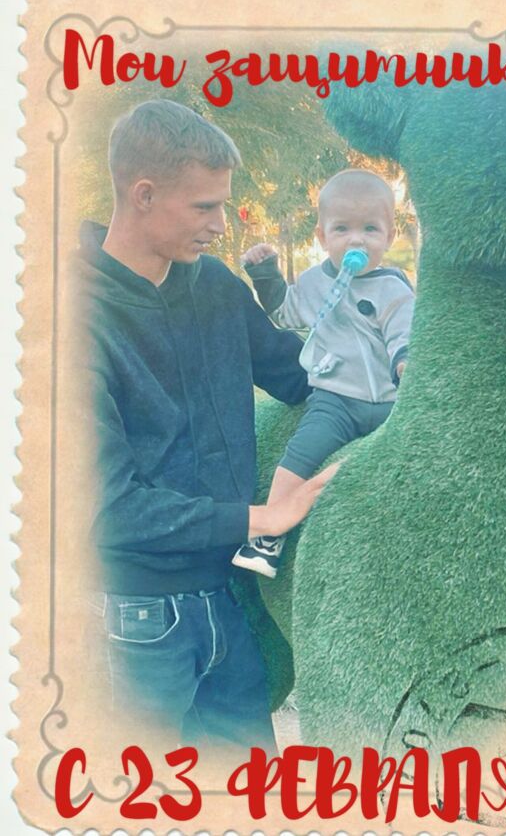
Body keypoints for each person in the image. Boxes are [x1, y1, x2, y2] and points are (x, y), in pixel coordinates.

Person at [74, 99, 337, 755]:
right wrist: (262, 517)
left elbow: (297, 374)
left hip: (227, 599)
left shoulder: (215, 285)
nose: (222, 225)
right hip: (136, 622)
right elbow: (111, 509)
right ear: (143, 195)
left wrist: (394, 364)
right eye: (204, 207)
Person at [233, 169, 414, 578]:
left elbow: (403, 332)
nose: (356, 240)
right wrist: (266, 275)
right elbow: (286, 312)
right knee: (298, 456)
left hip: (390, 401)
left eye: (370, 229)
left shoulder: (394, 288)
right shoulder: (316, 282)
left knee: (410, 452)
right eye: (342, 229)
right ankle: (268, 537)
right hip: (336, 401)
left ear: (389, 236)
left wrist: (404, 362)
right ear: (322, 236)